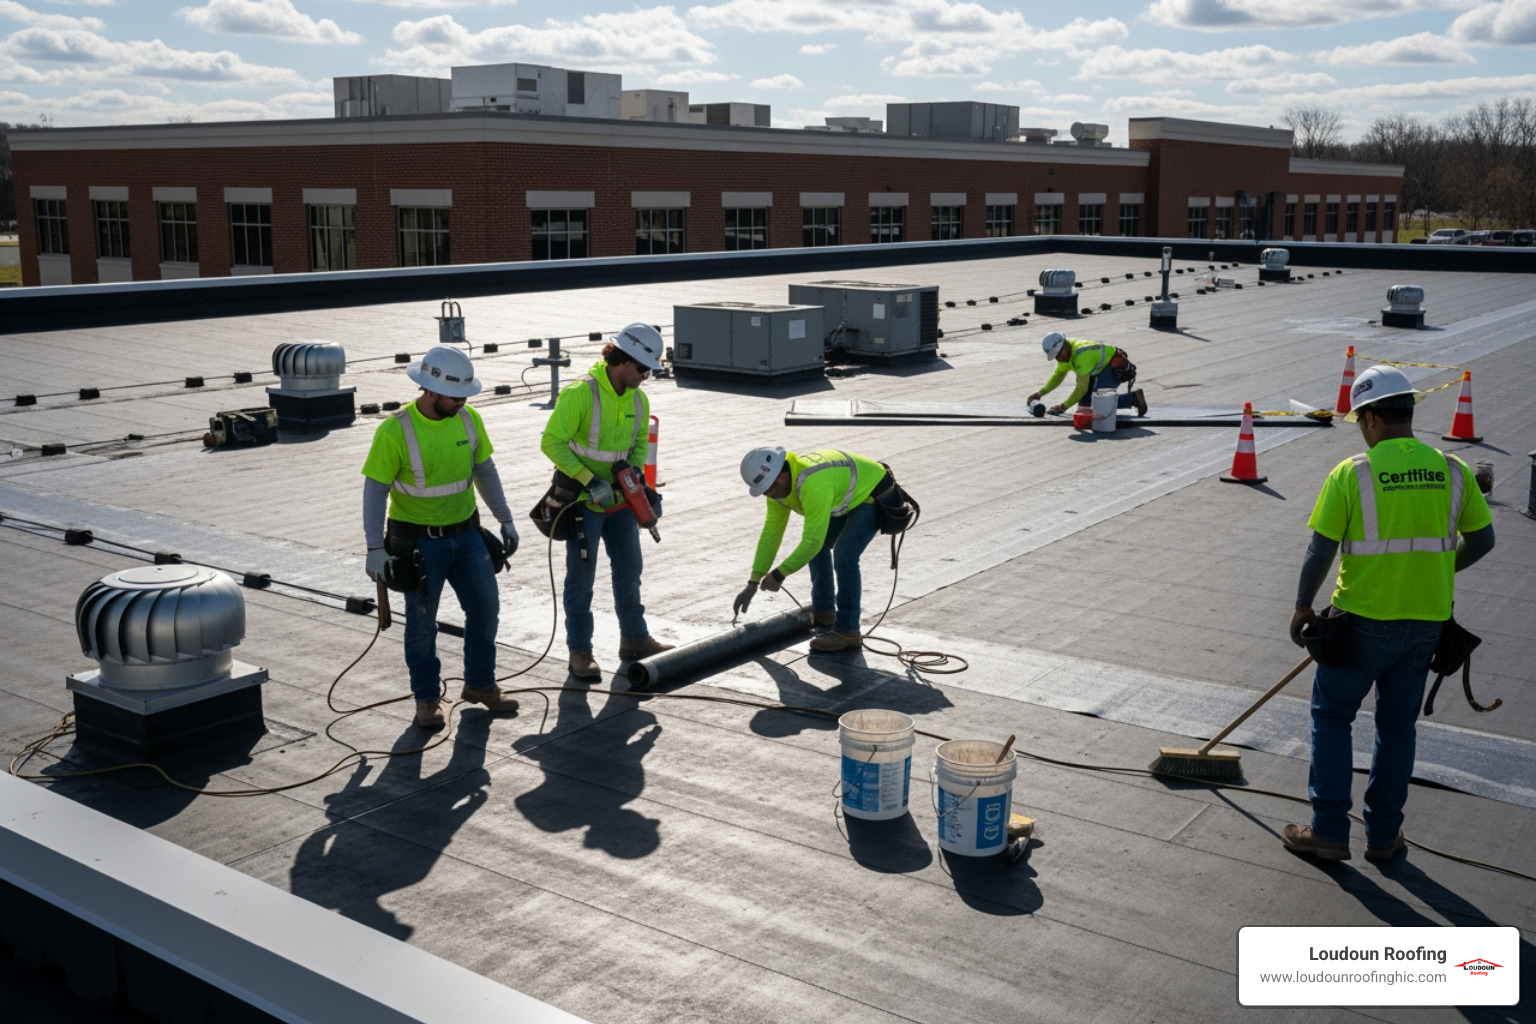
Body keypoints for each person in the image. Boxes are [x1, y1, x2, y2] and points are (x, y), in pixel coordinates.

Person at [1282, 365, 1494, 863]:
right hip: (1426, 627)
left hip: (1361, 622)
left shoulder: (1354, 472)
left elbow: (1320, 549)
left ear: (1372, 418)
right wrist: (1440, 571)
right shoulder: (1453, 469)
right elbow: (1483, 540)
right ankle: (1383, 837)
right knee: (1397, 729)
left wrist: (1301, 607)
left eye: (1360, 420)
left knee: (1332, 717)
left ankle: (1330, 830)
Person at [361, 346, 523, 729]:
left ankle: (480, 685)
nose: (462, 402)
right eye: (455, 396)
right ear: (430, 390)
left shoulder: (468, 420)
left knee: (485, 611)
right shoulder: (395, 430)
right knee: (421, 625)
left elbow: (484, 468)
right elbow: (375, 490)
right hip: (418, 544)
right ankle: (427, 699)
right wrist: (373, 547)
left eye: (467, 395)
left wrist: (505, 518)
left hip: (467, 536)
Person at [541, 324, 672, 680]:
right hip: (585, 504)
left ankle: (634, 639)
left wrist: (635, 484)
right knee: (581, 580)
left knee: (630, 570)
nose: (646, 376)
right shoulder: (581, 394)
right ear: (622, 361)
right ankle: (580, 652)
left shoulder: (638, 400)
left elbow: (640, 445)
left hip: (620, 504)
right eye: (643, 369)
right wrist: (590, 481)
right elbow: (552, 443)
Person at [733, 446, 906, 652]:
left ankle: (848, 631)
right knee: (820, 548)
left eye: (770, 486)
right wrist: (753, 581)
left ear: (783, 472)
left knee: (845, 556)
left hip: (872, 493)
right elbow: (771, 534)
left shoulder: (813, 483)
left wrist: (779, 574)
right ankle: (825, 615)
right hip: (843, 498)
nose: (769, 493)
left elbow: (811, 541)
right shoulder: (777, 493)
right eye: (764, 491)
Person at [1027, 332, 1147, 417]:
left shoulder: (1081, 354)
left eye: (1058, 355)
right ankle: (1100, 400)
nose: (1058, 359)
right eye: (1055, 357)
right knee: (1085, 405)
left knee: (1099, 405)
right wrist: (1040, 393)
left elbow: (1082, 388)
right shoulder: (1065, 355)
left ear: (1064, 345)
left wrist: (1064, 406)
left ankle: (1133, 399)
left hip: (1113, 367)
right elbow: (1058, 377)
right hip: (1097, 369)